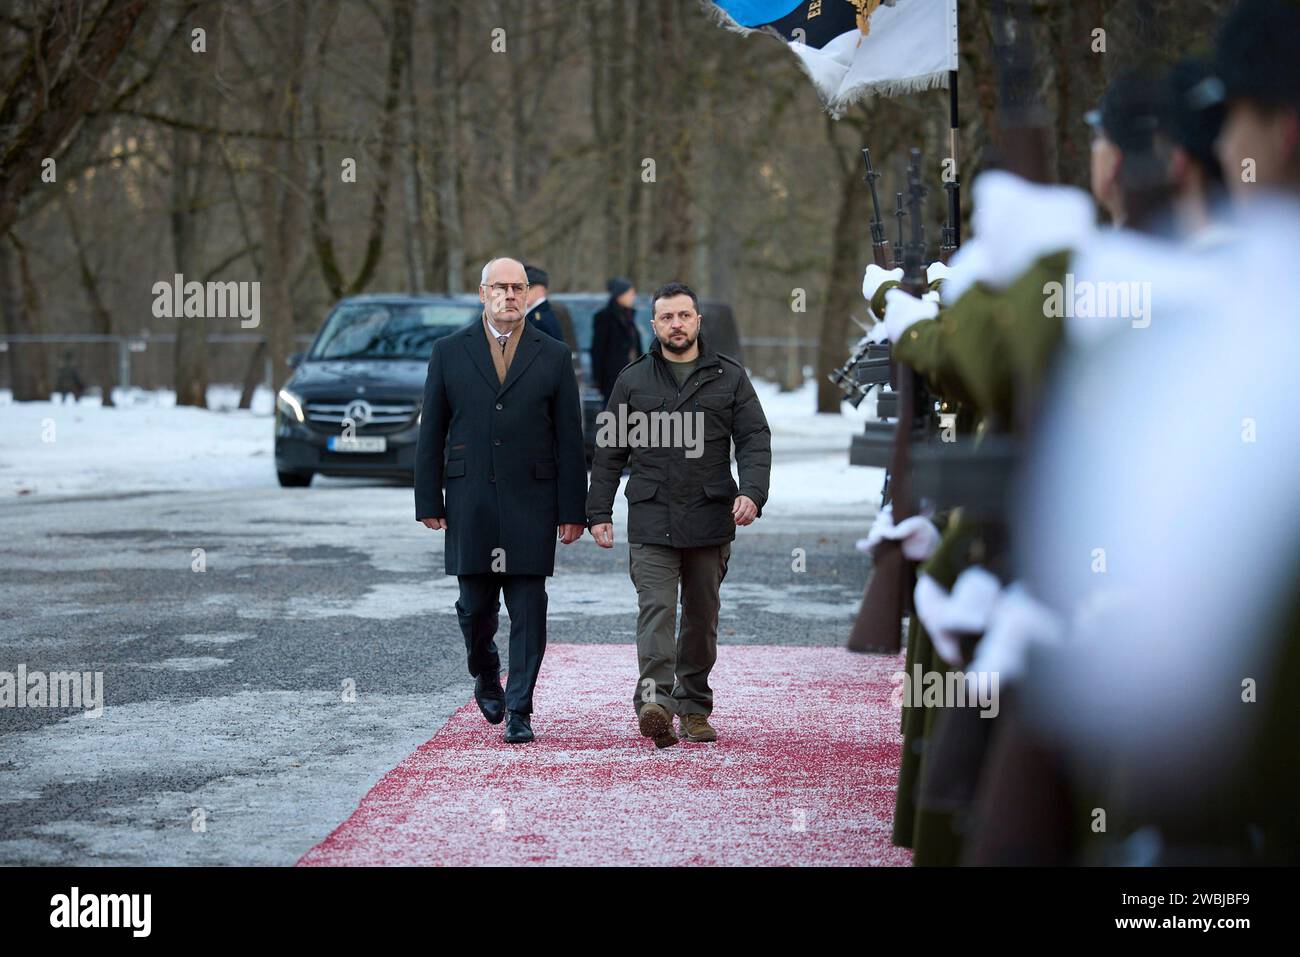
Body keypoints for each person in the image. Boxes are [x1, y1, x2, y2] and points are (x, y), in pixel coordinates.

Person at [585, 281, 771, 748]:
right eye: (667, 317)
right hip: (651, 516)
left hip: (710, 516)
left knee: (701, 619)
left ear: (697, 320)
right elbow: (609, 451)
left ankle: (693, 708)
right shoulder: (632, 379)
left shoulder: (730, 377)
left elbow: (754, 439)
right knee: (657, 611)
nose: (676, 324)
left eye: (684, 315)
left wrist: (752, 492)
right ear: (654, 324)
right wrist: (598, 510)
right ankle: (654, 703)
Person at [414, 257, 588, 744]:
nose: (510, 296)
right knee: (475, 608)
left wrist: (573, 510)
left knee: (529, 609)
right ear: (483, 292)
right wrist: (429, 497)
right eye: (501, 287)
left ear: (530, 294)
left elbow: (570, 440)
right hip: (470, 499)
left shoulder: (553, 355)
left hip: (533, 498)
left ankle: (520, 709)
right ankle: (486, 672)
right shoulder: (449, 351)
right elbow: (433, 432)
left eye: (519, 287)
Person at [589, 277, 641, 405]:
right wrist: (598, 380)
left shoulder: (630, 316)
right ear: (620, 295)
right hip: (613, 378)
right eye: (630, 293)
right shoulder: (604, 317)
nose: (633, 297)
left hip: (633, 377)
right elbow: (598, 350)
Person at [522, 264, 565, 343]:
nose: (524, 292)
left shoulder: (540, 319)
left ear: (541, 289)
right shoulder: (537, 314)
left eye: (529, 288)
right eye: (520, 288)